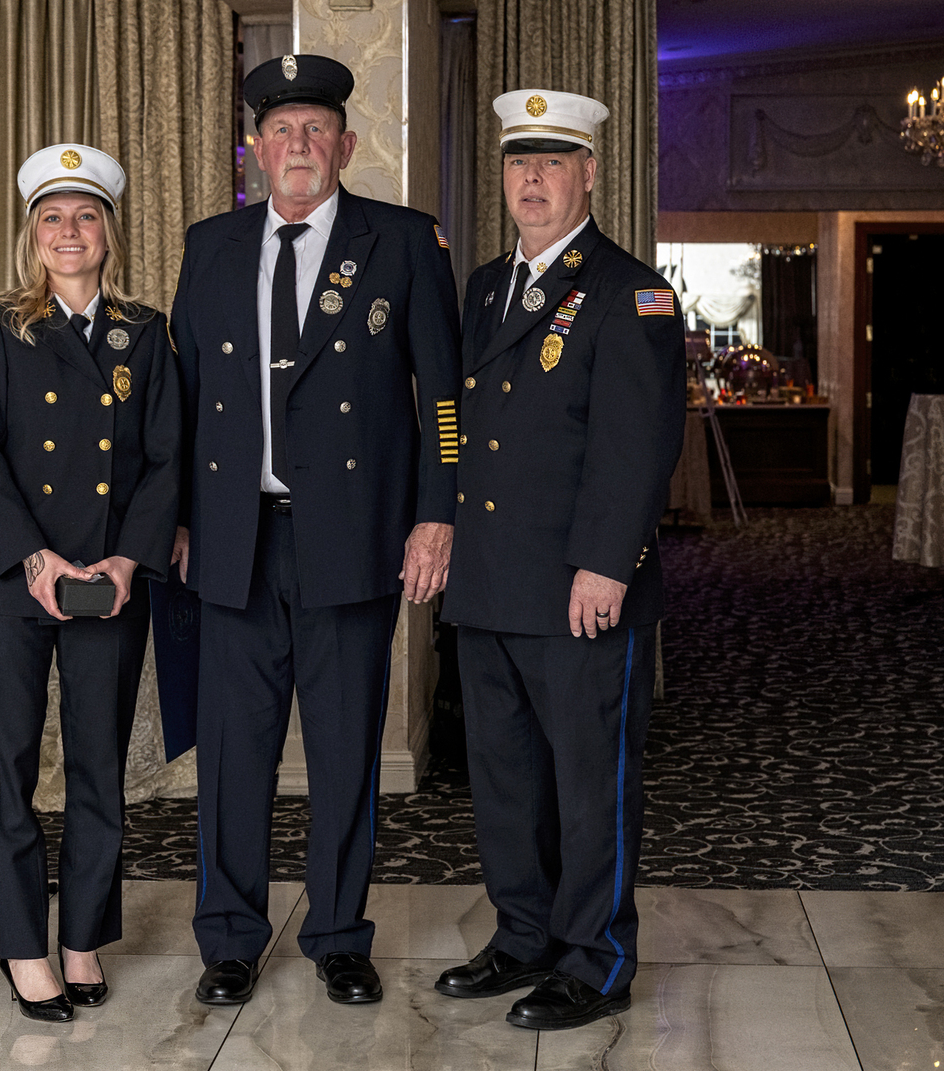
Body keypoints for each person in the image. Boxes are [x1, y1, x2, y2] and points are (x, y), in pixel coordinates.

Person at [170, 54, 463, 1007]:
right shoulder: (210, 244)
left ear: (345, 144)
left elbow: (444, 400)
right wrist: (175, 519)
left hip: (353, 537)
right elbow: (179, 405)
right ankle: (229, 936)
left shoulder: (403, 242)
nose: (298, 147)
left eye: (315, 131)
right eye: (281, 131)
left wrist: (435, 514)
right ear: (255, 149)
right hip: (233, 539)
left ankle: (339, 932)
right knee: (232, 752)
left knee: (344, 749)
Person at [434, 89, 685, 1031]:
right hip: (493, 577)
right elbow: (466, 427)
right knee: (505, 780)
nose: (531, 180)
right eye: (517, 163)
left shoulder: (633, 291)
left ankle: (597, 956)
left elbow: (639, 443)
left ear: (589, 173)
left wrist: (607, 563)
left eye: (551, 163)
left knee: (590, 786)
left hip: (582, 582)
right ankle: (523, 935)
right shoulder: (487, 285)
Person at [0, 144, 180, 1022]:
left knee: (97, 769)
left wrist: (124, 561)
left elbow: (165, 461)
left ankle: (81, 935)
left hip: (110, 582)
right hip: (13, 576)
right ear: (32, 233)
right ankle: (19, 944)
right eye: (53, 216)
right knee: (2, 771)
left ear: (109, 232)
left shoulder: (144, 331)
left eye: (85, 216)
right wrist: (38, 560)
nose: (69, 231)